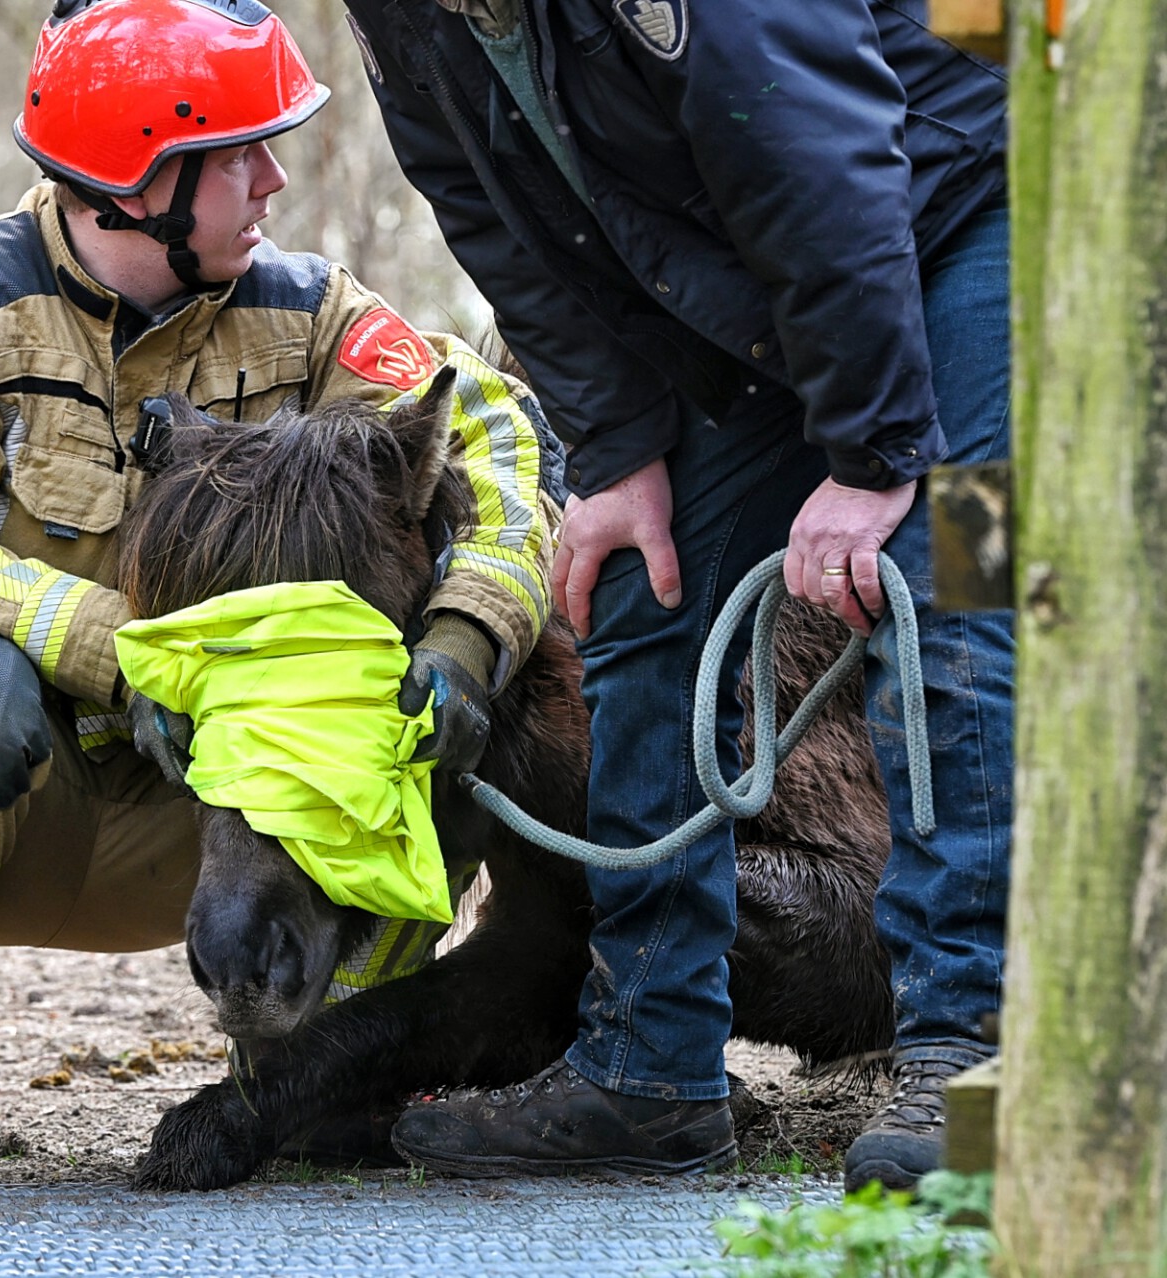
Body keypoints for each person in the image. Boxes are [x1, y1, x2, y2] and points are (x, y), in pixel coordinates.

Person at [0, 0, 558, 1201]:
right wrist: (124, 652)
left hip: (242, 801)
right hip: (29, 795)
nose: (274, 181)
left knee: (435, 708)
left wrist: (468, 632)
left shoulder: (314, 311)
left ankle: (319, 1079)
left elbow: (492, 439)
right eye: (239, 154)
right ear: (136, 182)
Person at [340, 0, 1011, 1192]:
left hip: (962, 209)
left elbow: (821, 160)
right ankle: (649, 1072)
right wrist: (620, 454)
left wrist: (871, 459)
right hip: (760, 266)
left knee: (951, 592)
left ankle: (969, 1057)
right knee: (639, 589)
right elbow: (498, 219)